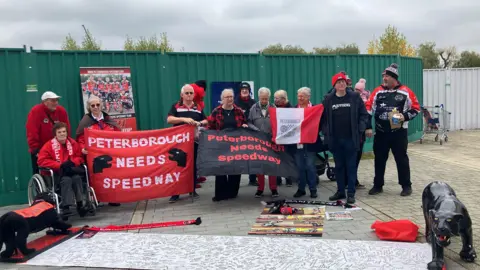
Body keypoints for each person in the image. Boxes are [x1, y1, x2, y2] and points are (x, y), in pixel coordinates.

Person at [365, 63, 420, 197]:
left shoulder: (406, 91)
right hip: (381, 133)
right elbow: (367, 109)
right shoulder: (377, 91)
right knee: (379, 159)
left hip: (398, 133)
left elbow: (416, 109)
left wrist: (404, 116)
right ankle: (378, 185)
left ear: (394, 78)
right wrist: (368, 126)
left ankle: (406, 186)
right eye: (384, 76)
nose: (384, 78)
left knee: (401, 159)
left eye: (387, 76)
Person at [321, 73, 369, 204]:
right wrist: (326, 131)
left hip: (351, 139)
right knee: (339, 167)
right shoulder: (328, 99)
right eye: (338, 82)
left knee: (351, 167)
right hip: (335, 140)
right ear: (334, 85)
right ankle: (340, 191)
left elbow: (364, 115)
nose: (341, 84)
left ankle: (351, 193)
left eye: (343, 82)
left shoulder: (354, 97)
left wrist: (360, 129)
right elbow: (322, 119)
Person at [75, 95, 122, 207]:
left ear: (101, 106)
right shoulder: (85, 122)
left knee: (112, 175)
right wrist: (82, 148)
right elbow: (80, 139)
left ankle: (112, 198)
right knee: (96, 176)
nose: (95, 107)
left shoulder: (109, 120)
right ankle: (97, 197)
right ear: (89, 107)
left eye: (97, 105)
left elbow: (119, 135)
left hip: (110, 154)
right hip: (94, 156)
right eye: (93, 105)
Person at [166, 84, 208, 203]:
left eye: (191, 93)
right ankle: (175, 193)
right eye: (187, 93)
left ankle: (192, 189)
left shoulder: (198, 107)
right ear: (182, 95)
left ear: (194, 95)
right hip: (179, 142)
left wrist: (199, 123)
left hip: (194, 141)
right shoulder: (176, 106)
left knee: (193, 166)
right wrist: (184, 120)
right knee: (178, 166)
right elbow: (169, 119)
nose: (189, 95)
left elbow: (206, 120)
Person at [37, 122, 87, 217]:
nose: (62, 134)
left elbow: (79, 157)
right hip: (57, 173)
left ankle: (80, 204)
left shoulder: (72, 143)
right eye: (59, 132)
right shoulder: (48, 146)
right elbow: (42, 160)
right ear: (55, 134)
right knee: (66, 180)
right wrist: (59, 165)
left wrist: (73, 162)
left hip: (71, 170)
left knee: (77, 178)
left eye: (64, 131)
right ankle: (66, 207)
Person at [207, 88, 248, 202]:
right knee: (221, 168)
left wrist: (244, 125)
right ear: (222, 99)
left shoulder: (238, 111)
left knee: (235, 168)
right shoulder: (216, 111)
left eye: (231, 96)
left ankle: (232, 192)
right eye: (227, 97)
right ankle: (220, 193)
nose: (230, 99)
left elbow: (244, 122)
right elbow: (210, 127)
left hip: (236, 145)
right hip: (221, 144)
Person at [26, 91, 70, 174]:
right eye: (53, 101)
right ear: (45, 102)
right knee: (41, 172)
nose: (56, 103)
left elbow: (67, 129)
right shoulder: (36, 111)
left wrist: (67, 144)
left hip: (59, 148)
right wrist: (35, 149)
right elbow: (31, 131)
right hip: (41, 149)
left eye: (57, 100)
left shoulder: (61, 111)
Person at [248, 87, 279, 198]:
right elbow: (249, 122)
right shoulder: (253, 108)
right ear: (259, 97)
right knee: (259, 165)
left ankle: (273, 188)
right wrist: (255, 130)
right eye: (262, 99)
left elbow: (278, 123)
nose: (264, 101)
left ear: (269, 98)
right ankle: (260, 188)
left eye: (266, 99)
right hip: (258, 141)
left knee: (272, 165)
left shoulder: (274, 107)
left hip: (271, 141)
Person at [293, 87, 322, 199]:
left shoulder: (315, 109)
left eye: (303, 96)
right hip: (298, 142)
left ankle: (313, 190)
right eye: (299, 96)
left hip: (311, 142)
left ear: (308, 97)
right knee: (300, 166)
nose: (300, 98)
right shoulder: (294, 109)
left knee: (310, 166)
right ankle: (301, 189)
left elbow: (320, 123)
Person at [234, 82, 257, 186]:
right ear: (240, 91)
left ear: (249, 91)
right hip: (238, 132)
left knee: (253, 156)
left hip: (251, 132)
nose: (244, 91)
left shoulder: (253, 102)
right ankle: (235, 180)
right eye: (242, 89)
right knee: (237, 156)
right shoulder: (235, 102)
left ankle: (252, 179)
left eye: (246, 89)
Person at [273, 90, 294, 187]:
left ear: (284, 99)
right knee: (276, 158)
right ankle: (278, 178)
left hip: (287, 139)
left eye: (277, 98)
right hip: (276, 137)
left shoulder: (291, 108)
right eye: (274, 98)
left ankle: (288, 178)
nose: (275, 100)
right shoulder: (273, 108)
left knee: (287, 158)